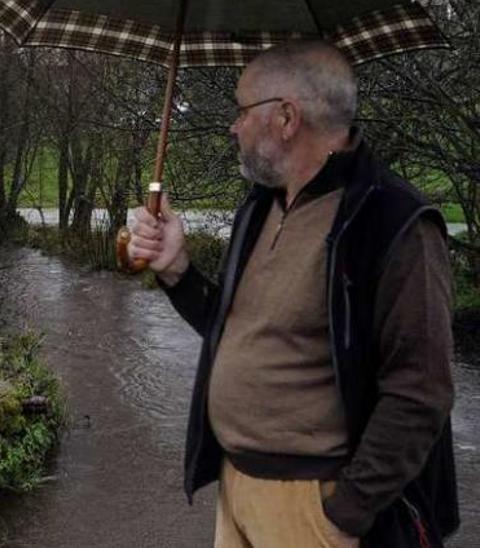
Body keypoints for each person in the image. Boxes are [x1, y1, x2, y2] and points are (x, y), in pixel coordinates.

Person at [127, 40, 458, 547]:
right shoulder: (261, 207)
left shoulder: (395, 223)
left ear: (285, 117)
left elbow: (421, 391)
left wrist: (346, 514)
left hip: (315, 508)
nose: (233, 126)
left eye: (241, 110)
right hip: (236, 488)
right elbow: (240, 329)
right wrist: (177, 271)